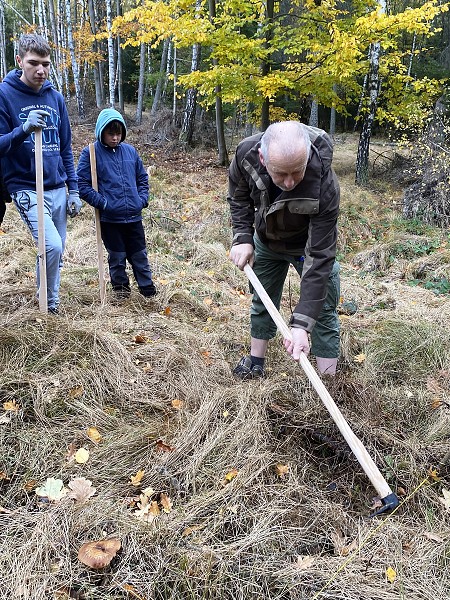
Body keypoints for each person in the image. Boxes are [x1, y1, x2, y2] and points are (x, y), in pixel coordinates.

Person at [228, 120, 340, 379]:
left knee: (323, 310)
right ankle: (256, 363)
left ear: (307, 156)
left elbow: (321, 255)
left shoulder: (325, 184)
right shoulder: (246, 155)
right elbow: (238, 195)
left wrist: (301, 325)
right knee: (262, 302)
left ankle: (330, 382)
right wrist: (243, 237)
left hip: (307, 248)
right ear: (263, 158)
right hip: (266, 241)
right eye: (281, 174)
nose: (289, 182)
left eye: (296, 173)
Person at [0, 33, 81, 313]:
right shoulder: (4, 95)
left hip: (56, 185)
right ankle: (49, 304)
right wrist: (22, 130)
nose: (41, 70)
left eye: (46, 64)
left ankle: (48, 301)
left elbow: (66, 147)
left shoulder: (55, 98)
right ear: (19, 60)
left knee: (55, 253)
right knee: (53, 246)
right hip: (25, 184)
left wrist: (75, 189)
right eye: (34, 63)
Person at [77, 108, 157, 299]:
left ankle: (148, 292)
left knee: (139, 256)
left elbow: (142, 179)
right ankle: (121, 293)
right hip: (110, 219)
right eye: (110, 133)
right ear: (101, 132)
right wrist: (104, 204)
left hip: (133, 217)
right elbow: (82, 184)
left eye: (118, 133)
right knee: (117, 257)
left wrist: (142, 200)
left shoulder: (130, 151)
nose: (115, 138)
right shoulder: (91, 153)